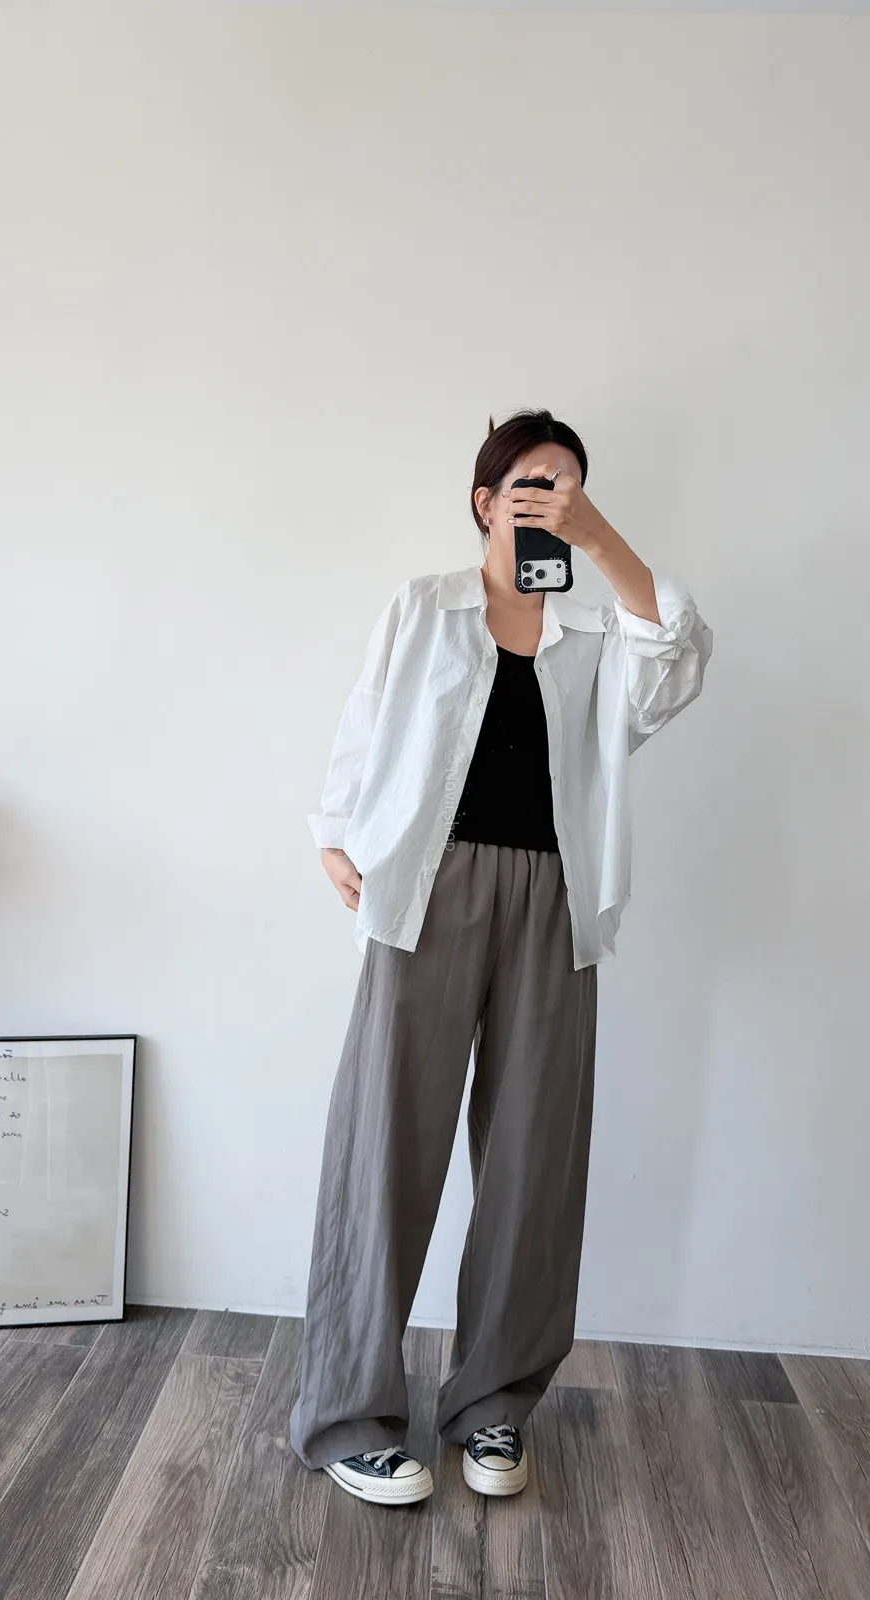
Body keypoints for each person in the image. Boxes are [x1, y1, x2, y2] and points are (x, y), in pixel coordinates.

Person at [289, 408, 713, 1506]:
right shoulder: (422, 607)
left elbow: (678, 658)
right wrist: (333, 832)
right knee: (386, 1144)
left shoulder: (598, 635)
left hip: (555, 903)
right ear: (485, 500)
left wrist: (599, 538)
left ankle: (493, 1406)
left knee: (533, 1157)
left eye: (567, 485)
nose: (549, 499)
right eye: (530, 482)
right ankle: (350, 1414)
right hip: (425, 891)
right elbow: (365, 724)